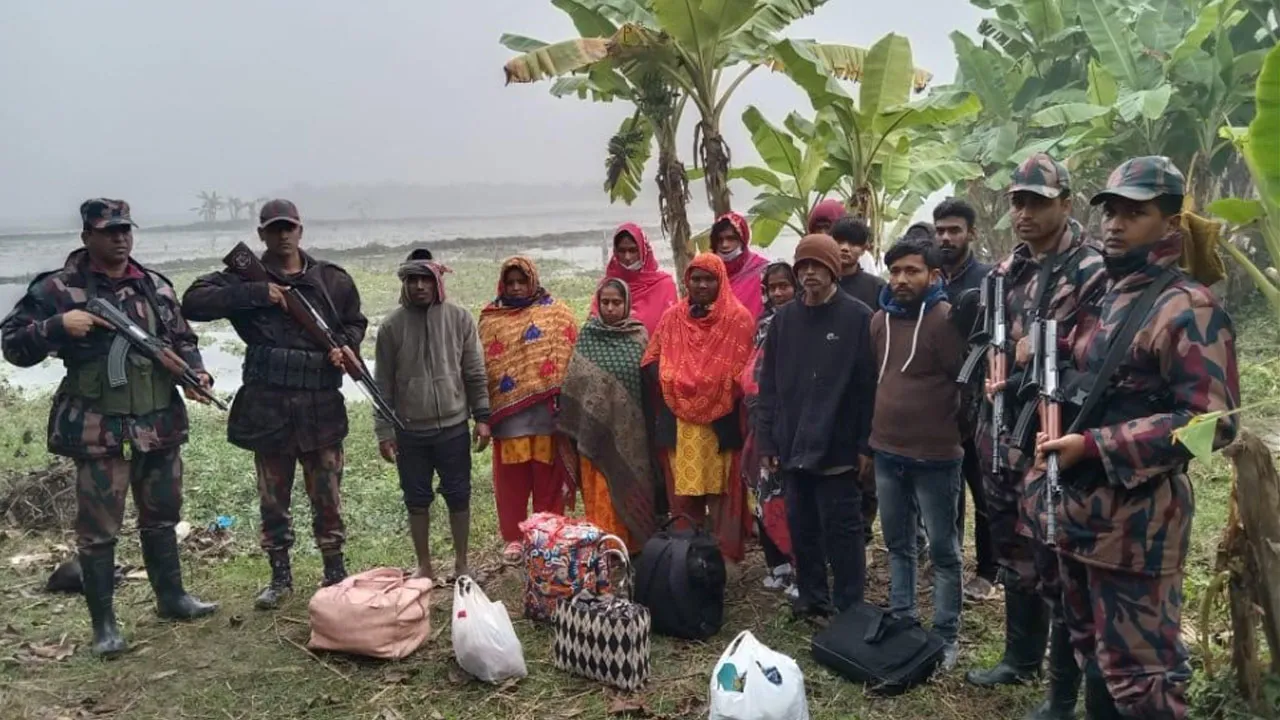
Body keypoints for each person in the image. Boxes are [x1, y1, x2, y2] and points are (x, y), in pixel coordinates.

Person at [1034, 157, 1239, 719]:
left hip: (1137, 529)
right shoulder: (1104, 291)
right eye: (1112, 211)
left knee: (1144, 683)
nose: (1116, 224)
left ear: (1171, 224)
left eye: (1136, 213)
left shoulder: (1189, 307)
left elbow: (1214, 424)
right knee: (1093, 656)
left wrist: (1098, 446)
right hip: (1079, 516)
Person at [1, 199, 217, 656]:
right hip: (99, 426)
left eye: (125, 229)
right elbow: (13, 345)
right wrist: (58, 325)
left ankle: (172, 598)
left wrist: (197, 374)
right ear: (87, 237)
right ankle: (105, 627)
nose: (120, 238)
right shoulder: (59, 288)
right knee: (99, 530)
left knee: (162, 516)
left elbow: (182, 340)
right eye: (109, 231)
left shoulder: (155, 286)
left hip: (157, 421)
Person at [965, 154, 1105, 720]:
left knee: (1062, 569)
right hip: (1001, 436)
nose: (1023, 212)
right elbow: (982, 340)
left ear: (1065, 204)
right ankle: (1019, 657)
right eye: (1017, 201)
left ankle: (1061, 696)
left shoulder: (1095, 272)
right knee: (1013, 550)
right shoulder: (1003, 273)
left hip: (1056, 441)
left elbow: (1104, 361)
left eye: (1037, 201)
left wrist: (1047, 355)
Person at [182, 199, 366, 608]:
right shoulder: (244, 278)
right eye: (275, 228)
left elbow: (354, 321)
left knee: (328, 495)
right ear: (262, 233)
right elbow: (192, 301)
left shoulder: (331, 280)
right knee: (273, 499)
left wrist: (346, 347)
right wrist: (257, 292)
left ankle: (334, 571)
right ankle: (280, 577)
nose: (283, 235)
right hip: (269, 408)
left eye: (290, 228)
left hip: (320, 407)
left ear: (300, 231)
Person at [757, 236, 876, 620]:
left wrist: (864, 445)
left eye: (817, 266)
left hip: (838, 445)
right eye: (802, 267)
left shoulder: (857, 318)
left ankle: (850, 605)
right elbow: (769, 385)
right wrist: (768, 440)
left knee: (843, 530)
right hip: (792, 442)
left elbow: (867, 387)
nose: (809, 273)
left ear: (833, 270)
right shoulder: (784, 320)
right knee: (802, 526)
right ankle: (811, 598)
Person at [871, 236, 968, 669]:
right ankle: (905, 617)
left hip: (936, 457)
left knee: (944, 551)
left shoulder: (946, 320)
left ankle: (946, 636)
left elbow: (963, 382)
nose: (901, 280)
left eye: (912, 271)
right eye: (895, 271)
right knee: (897, 543)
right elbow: (882, 374)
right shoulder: (879, 322)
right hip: (887, 452)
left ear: (934, 276)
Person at [374, 251, 490, 580]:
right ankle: (423, 566)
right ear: (405, 283)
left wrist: (482, 415)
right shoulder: (391, 327)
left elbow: (475, 372)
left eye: (426, 279)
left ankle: (462, 564)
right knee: (416, 498)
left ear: (438, 281)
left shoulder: (460, 319)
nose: (420, 286)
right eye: (413, 280)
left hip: (453, 426)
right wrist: (384, 430)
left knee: (458, 494)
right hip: (409, 430)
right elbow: (382, 384)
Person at [643, 253, 755, 563]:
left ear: (721, 281)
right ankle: (684, 560)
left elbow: (745, 370)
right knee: (682, 495)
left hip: (723, 423)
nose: (702, 285)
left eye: (709, 279)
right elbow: (651, 360)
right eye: (696, 279)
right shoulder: (673, 318)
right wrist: (677, 380)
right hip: (679, 422)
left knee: (724, 496)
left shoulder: (738, 319)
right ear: (686, 282)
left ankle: (725, 562)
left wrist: (709, 384)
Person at [478, 256, 578, 564]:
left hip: (548, 416)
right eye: (511, 283)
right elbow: (481, 366)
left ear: (532, 281)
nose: (517, 287)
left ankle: (548, 534)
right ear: (502, 285)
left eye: (522, 281)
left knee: (548, 478)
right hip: (510, 419)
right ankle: (514, 538)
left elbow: (570, 354)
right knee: (512, 482)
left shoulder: (556, 313)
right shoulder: (490, 318)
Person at [558, 279, 658, 551]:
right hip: (593, 436)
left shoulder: (638, 337)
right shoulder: (588, 336)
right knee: (600, 490)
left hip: (632, 436)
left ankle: (632, 545)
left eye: (617, 303)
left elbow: (648, 390)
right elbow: (575, 383)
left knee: (629, 483)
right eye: (605, 302)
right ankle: (604, 545)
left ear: (627, 304)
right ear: (598, 304)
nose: (611, 308)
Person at [932, 198, 998, 601]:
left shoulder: (989, 279)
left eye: (954, 230)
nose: (945, 237)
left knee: (983, 489)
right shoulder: (931, 279)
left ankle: (989, 569)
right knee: (945, 490)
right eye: (940, 230)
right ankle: (948, 561)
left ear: (971, 234)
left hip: (982, 406)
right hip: (940, 405)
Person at [738, 262, 799, 596]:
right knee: (764, 495)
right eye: (772, 287)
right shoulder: (762, 323)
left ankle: (800, 569)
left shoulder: (804, 322)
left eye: (784, 286)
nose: (778, 293)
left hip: (791, 423)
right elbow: (754, 370)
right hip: (762, 419)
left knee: (793, 501)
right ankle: (777, 565)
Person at [591, 223, 677, 336]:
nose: (627, 257)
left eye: (633, 250)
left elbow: (674, 329)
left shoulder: (664, 285)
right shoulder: (607, 286)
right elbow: (593, 326)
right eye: (622, 251)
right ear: (616, 253)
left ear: (642, 250)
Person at [710, 212, 770, 318]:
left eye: (731, 238)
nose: (725, 245)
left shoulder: (763, 270)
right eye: (720, 240)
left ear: (743, 239)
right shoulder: (708, 273)